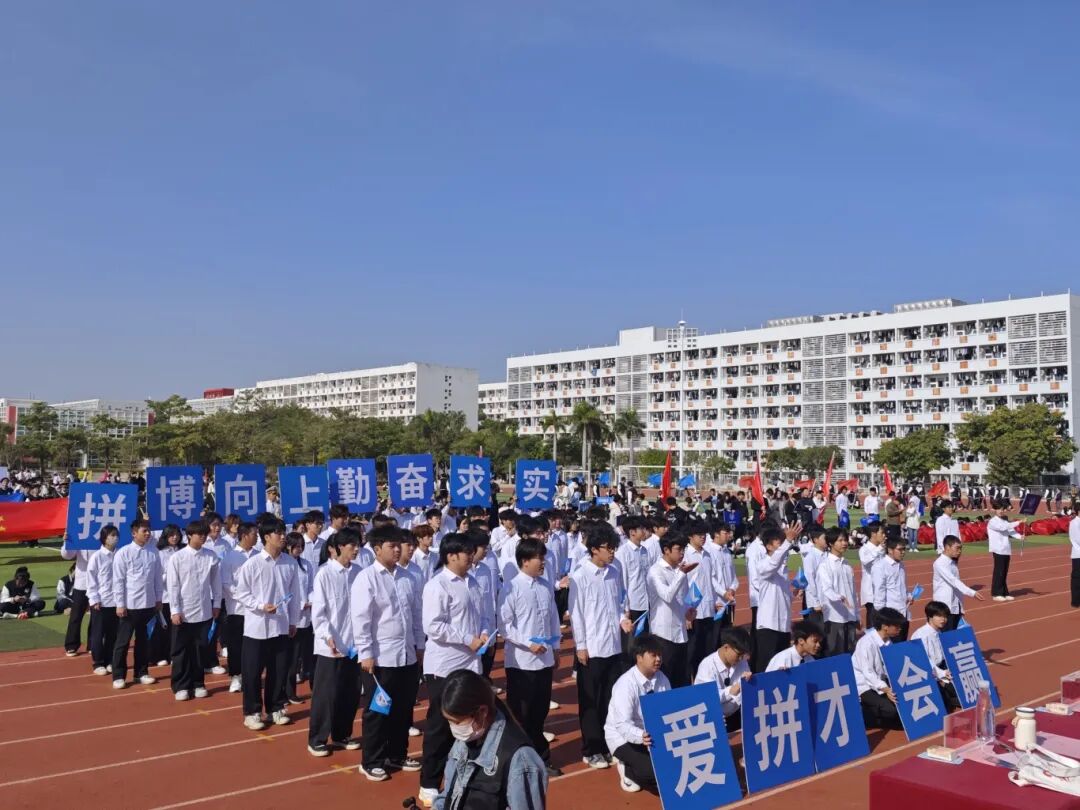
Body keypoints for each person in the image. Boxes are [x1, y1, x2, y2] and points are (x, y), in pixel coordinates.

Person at [418, 533, 487, 807]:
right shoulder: (437, 585)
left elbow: (482, 615)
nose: (471, 556)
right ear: (451, 556)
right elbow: (433, 626)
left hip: (470, 663)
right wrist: (467, 638)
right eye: (466, 552)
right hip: (445, 666)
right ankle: (429, 782)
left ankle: (462, 777)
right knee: (440, 726)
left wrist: (483, 632)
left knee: (470, 724)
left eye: (472, 551)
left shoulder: (473, 582)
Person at [352, 524, 425, 780]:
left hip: (406, 655)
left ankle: (397, 754)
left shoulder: (408, 578)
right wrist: (366, 653)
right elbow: (361, 619)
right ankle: (371, 760)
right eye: (391, 546)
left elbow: (416, 614)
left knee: (403, 709)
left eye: (398, 545)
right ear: (376, 549)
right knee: (378, 711)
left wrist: (419, 645)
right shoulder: (367, 578)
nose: (397, 550)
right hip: (380, 658)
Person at [432, 669, 548, 810]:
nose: (454, 728)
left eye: (457, 722)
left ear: (482, 712)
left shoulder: (520, 759)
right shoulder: (465, 739)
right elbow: (449, 794)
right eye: (449, 721)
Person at [568, 520, 633, 771]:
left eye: (614, 548)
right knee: (590, 702)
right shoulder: (580, 576)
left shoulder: (614, 573)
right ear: (594, 549)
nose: (613, 553)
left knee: (609, 699)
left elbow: (618, 603)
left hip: (613, 646)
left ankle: (608, 744)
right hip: (592, 648)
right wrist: (581, 646)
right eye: (608, 548)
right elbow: (577, 614)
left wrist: (622, 619)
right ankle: (591, 749)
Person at [499, 537, 563, 777]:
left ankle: (541, 760)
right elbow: (504, 625)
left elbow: (553, 618)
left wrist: (556, 647)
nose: (543, 562)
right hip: (521, 662)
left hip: (544, 661)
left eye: (543, 558)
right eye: (539, 558)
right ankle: (519, 762)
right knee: (521, 715)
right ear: (525, 561)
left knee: (539, 712)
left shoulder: (545, 586)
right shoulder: (511, 587)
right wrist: (528, 643)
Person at [232, 516, 301, 728]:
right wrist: (261, 605)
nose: (283, 536)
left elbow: (295, 595)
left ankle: (275, 708)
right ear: (266, 537)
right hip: (257, 627)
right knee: (252, 672)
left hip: (281, 626)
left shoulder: (290, 563)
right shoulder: (252, 564)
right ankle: (252, 712)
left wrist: (293, 621)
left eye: (283, 532)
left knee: (278, 670)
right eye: (278, 533)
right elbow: (241, 593)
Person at [308, 528, 363, 756]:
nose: (356, 550)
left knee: (349, 692)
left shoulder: (359, 572)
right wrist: (326, 636)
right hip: (331, 645)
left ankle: (342, 734)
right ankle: (317, 738)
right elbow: (319, 613)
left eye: (358, 545)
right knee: (326, 694)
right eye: (352, 546)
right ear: (339, 547)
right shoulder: (325, 574)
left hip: (354, 645)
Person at [604, 633, 671, 793]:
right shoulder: (626, 684)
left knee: (676, 765)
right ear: (639, 657)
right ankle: (627, 769)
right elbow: (622, 725)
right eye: (653, 655)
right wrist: (642, 736)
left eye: (660, 655)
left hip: (651, 734)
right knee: (655, 774)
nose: (658, 659)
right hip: (623, 738)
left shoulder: (662, 679)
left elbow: (670, 709)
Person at [166, 519, 222, 701]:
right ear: (189, 535)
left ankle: (198, 683)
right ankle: (181, 685)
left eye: (205, 534)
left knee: (200, 649)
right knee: (181, 650)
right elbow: (173, 585)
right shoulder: (178, 558)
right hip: (184, 611)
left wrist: (216, 604)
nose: (203, 537)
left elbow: (216, 582)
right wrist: (175, 610)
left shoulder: (211, 556)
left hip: (204, 610)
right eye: (200, 534)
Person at [110, 517, 163, 689]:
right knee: (123, 642)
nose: (147, 534)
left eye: (149, 530)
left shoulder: (154, 552)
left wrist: (158, 599)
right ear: (134, 533)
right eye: (144, 531)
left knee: (144, 641)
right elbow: (118, 580)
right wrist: (120, 603)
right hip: (129, 605)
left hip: (148, 604)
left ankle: (141, 672)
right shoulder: (124, 553)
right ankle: (119, 675)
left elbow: (157, 578)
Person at [645, 529, 696, 687]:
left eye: (683, 549)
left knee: (682, 681)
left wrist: (689, 610)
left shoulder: (679, 570)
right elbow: (667, 595)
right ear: (666, 550)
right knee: (665, 682)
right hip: (663, 635)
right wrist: (681, 574)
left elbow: (684, 596)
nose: (682, 553)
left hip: (681, 633)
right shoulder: (655, 571)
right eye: (678, 549)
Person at [752, 523, 801, 672]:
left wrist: (792, 594)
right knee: (766, 667)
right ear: (768, 546)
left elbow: (781, 596)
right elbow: (773, 563)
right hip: (768, 625)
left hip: (783, 625)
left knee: (782, 666)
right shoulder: (763, 565)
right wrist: (788, 541)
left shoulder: (783, 569)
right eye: (778, 542)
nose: (782, 546)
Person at [221, 521, 260, 693]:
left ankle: (252, 676)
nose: (257, 537)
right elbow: (226, 583)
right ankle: (236, 676)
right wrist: (245, 598)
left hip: (257, 610)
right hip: (237, 609)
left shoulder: (259, 555)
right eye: (254, 534)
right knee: (236, 645)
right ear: (244, 536)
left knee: (254, 646)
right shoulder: (230, 557)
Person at [853, 606, 905, 730]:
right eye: (896, 626)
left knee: (903, 706)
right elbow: (868, 673)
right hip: (864, 686)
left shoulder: (889, 642)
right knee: (891, 711)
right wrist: (887, 690)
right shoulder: (866, 643)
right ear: (885, 626)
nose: (900, 629)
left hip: (881, 682)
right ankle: (865, 714)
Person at [694, 626, 752, 732]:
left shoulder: (742, 662)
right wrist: (731, 691)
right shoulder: (707, 666)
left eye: (743, 655)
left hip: (735, 713)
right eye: (738, 654)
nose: (740, 659)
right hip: (712, 718)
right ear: (726, 647)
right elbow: (708, 698)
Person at [683, 521, 720, 679]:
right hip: (693, 612)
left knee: (708, 650)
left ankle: (706, 681)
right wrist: (686, 612)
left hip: (708, 610)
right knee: (692, 652)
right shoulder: (685, 556)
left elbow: (710, 581)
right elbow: (683, 586)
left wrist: (716, 601)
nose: (703, 537)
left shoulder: (707, 555)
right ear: (690, 536)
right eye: (699, 535)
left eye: (704, 534)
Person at [911, 601, 962, 712]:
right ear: (930, 616)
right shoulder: (921, 635)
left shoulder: (938, 632)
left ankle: (949, 696)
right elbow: (923, 661)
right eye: (939, 616)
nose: (943, 619)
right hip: (927, 672)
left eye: (945, 616)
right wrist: (941, 674)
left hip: (940, 668)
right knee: (947, 703)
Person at [284, 532, 316, 704]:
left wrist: (310, 601)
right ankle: (289, 692)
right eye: (296, 546)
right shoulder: (284, 564)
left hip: (306, 617)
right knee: (292, 657)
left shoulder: (306, 564)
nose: (299, 549)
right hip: (290, 617)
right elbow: (284, 590)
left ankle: (313, 688)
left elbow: (310, 586)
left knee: (307, 655)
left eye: (301, 546)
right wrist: (299, 603)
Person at [818, 528, 858, 656]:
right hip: (835, 616)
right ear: (830, 543)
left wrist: (857, 615)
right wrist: (839, 597)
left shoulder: (847, 564)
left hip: (850, 615)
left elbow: (853, 592)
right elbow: (826, 589)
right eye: (840, 540)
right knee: (836, 653)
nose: (844, 543)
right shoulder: (825, 565)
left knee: (851, 652)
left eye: (845, 540)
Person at [614, 515, 652, 648]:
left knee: (644, 640)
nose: (645, 531)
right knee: (632, 642)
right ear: (632, 532)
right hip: (633, 603)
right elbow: (622, 582)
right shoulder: (623, 552)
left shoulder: (644, 551)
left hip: (646, 602)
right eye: (641, 528)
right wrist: (626, 607)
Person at [86, 526, 120, 674]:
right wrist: (94, 599)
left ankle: (109, 660)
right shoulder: (97, 557)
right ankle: (98, 663)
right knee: (98, 634)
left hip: (117, 602)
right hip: (101, 602)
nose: (115, 538)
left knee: (113, 634)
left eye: (116, 535)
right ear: (104, 538)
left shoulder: (120, 555)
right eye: (112, 535)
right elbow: (91, 579)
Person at [933, 535, 983, 629]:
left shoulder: (952, 562)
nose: (959, 551)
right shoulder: (940, 563)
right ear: (947, 547)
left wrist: (960, 606)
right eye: (957, 548)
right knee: (947, 634)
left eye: (961, 548)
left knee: (955, 633)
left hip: (955, 605)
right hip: (945, 606)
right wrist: (972, 592)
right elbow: (953, 580)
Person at [153, 525, 185, 666]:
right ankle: (161, 655)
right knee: (163, 628)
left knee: (178, 628)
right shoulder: (160, 553)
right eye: (171, 535)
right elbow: (157, 576)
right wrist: (170, 575)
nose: (175, 537)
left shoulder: (183, 550)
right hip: (165, 596)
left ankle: (174, 655)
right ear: (165, 536)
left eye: (177, 534)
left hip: (181, 596)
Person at [60, 534, 94, 655]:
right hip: (82, 583)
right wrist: (67, 542)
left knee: (96, 616)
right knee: (76, 615)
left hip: (99, 583)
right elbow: (67, 555)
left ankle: (93, 644)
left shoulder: (102, 533)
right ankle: (71, 644)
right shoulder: (80, 534)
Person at [872, 538, 911, 641]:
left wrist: (908, 596)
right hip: (891, 619)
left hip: (903, 614)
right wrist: (884, 618)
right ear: (890, 550)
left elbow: (902, 587)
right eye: (900, 549)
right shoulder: (880, 566)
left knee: (902, 645)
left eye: (904, 549)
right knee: (890, 647)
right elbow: (879, 593)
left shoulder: (901, 565)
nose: (903, 552)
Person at [987, 506, 1023, 601]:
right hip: (998, 549)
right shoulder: (992, 521)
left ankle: (1004, 592)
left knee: (1004, 572)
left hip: (1006, 549)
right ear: (995, 510)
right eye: (999, 509)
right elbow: (1003, 528)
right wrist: (1018, 522)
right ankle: (996, 593)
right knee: (999, 571)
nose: (1001, 511)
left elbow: (1011, 531)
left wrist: (1020, 537)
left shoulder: (1004, 521)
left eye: (1002, 509)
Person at [709, 521, 738, 628]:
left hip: (729, 600)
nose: (728, 535)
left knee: (728, 630)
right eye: (725, 533)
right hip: (718, 602)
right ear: (716, 534)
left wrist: (732, 589)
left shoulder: (727, 552)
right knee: (716, 631)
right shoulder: (709, 552)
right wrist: (724, 593)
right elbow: (711, 578)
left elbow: (733, 575)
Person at [859, 521, 886, 628]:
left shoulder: (882, 549)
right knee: (872, 622)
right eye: (882, 533)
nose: (884, 535)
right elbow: (866, 562)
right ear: (873, 534)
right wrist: (879, 549)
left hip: (882, 589)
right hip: (871, 591)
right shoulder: (864, 549)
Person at [1071, 512, 1080, 609]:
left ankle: (1076, 600)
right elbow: (1077, 539)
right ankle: (1076, 601)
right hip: (1078, 554)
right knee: (1077, 578)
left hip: (1077, 554)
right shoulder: (1075, 522)